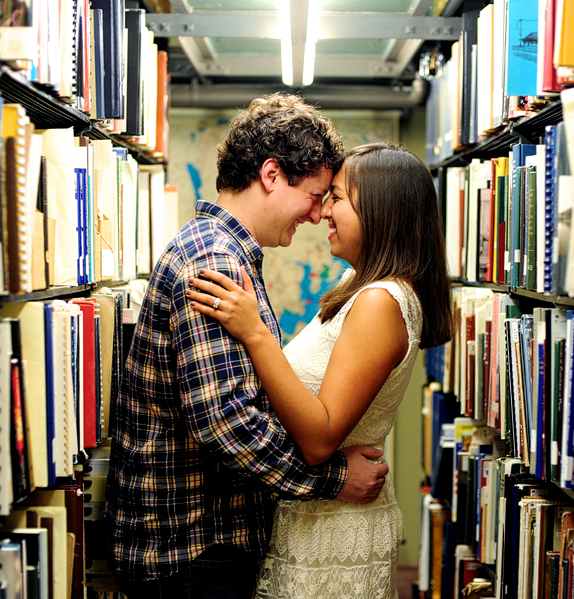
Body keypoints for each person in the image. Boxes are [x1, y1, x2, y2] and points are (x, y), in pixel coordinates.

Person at [104, 94, 390, 599]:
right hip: (192, 549)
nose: (318, 213)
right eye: (316, 194)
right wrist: (333, 480)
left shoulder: (222, 249)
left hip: (197, 543)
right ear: (272, 174)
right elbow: (226, 421)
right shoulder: (214, 260)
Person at [186, 142, 454, 598]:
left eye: (339, 197)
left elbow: (319, 438)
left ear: (380, 211)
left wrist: (254, 333)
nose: (324, 211)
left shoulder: (380, 302)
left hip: (336, 529)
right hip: (312, 516)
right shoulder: (356, 285)